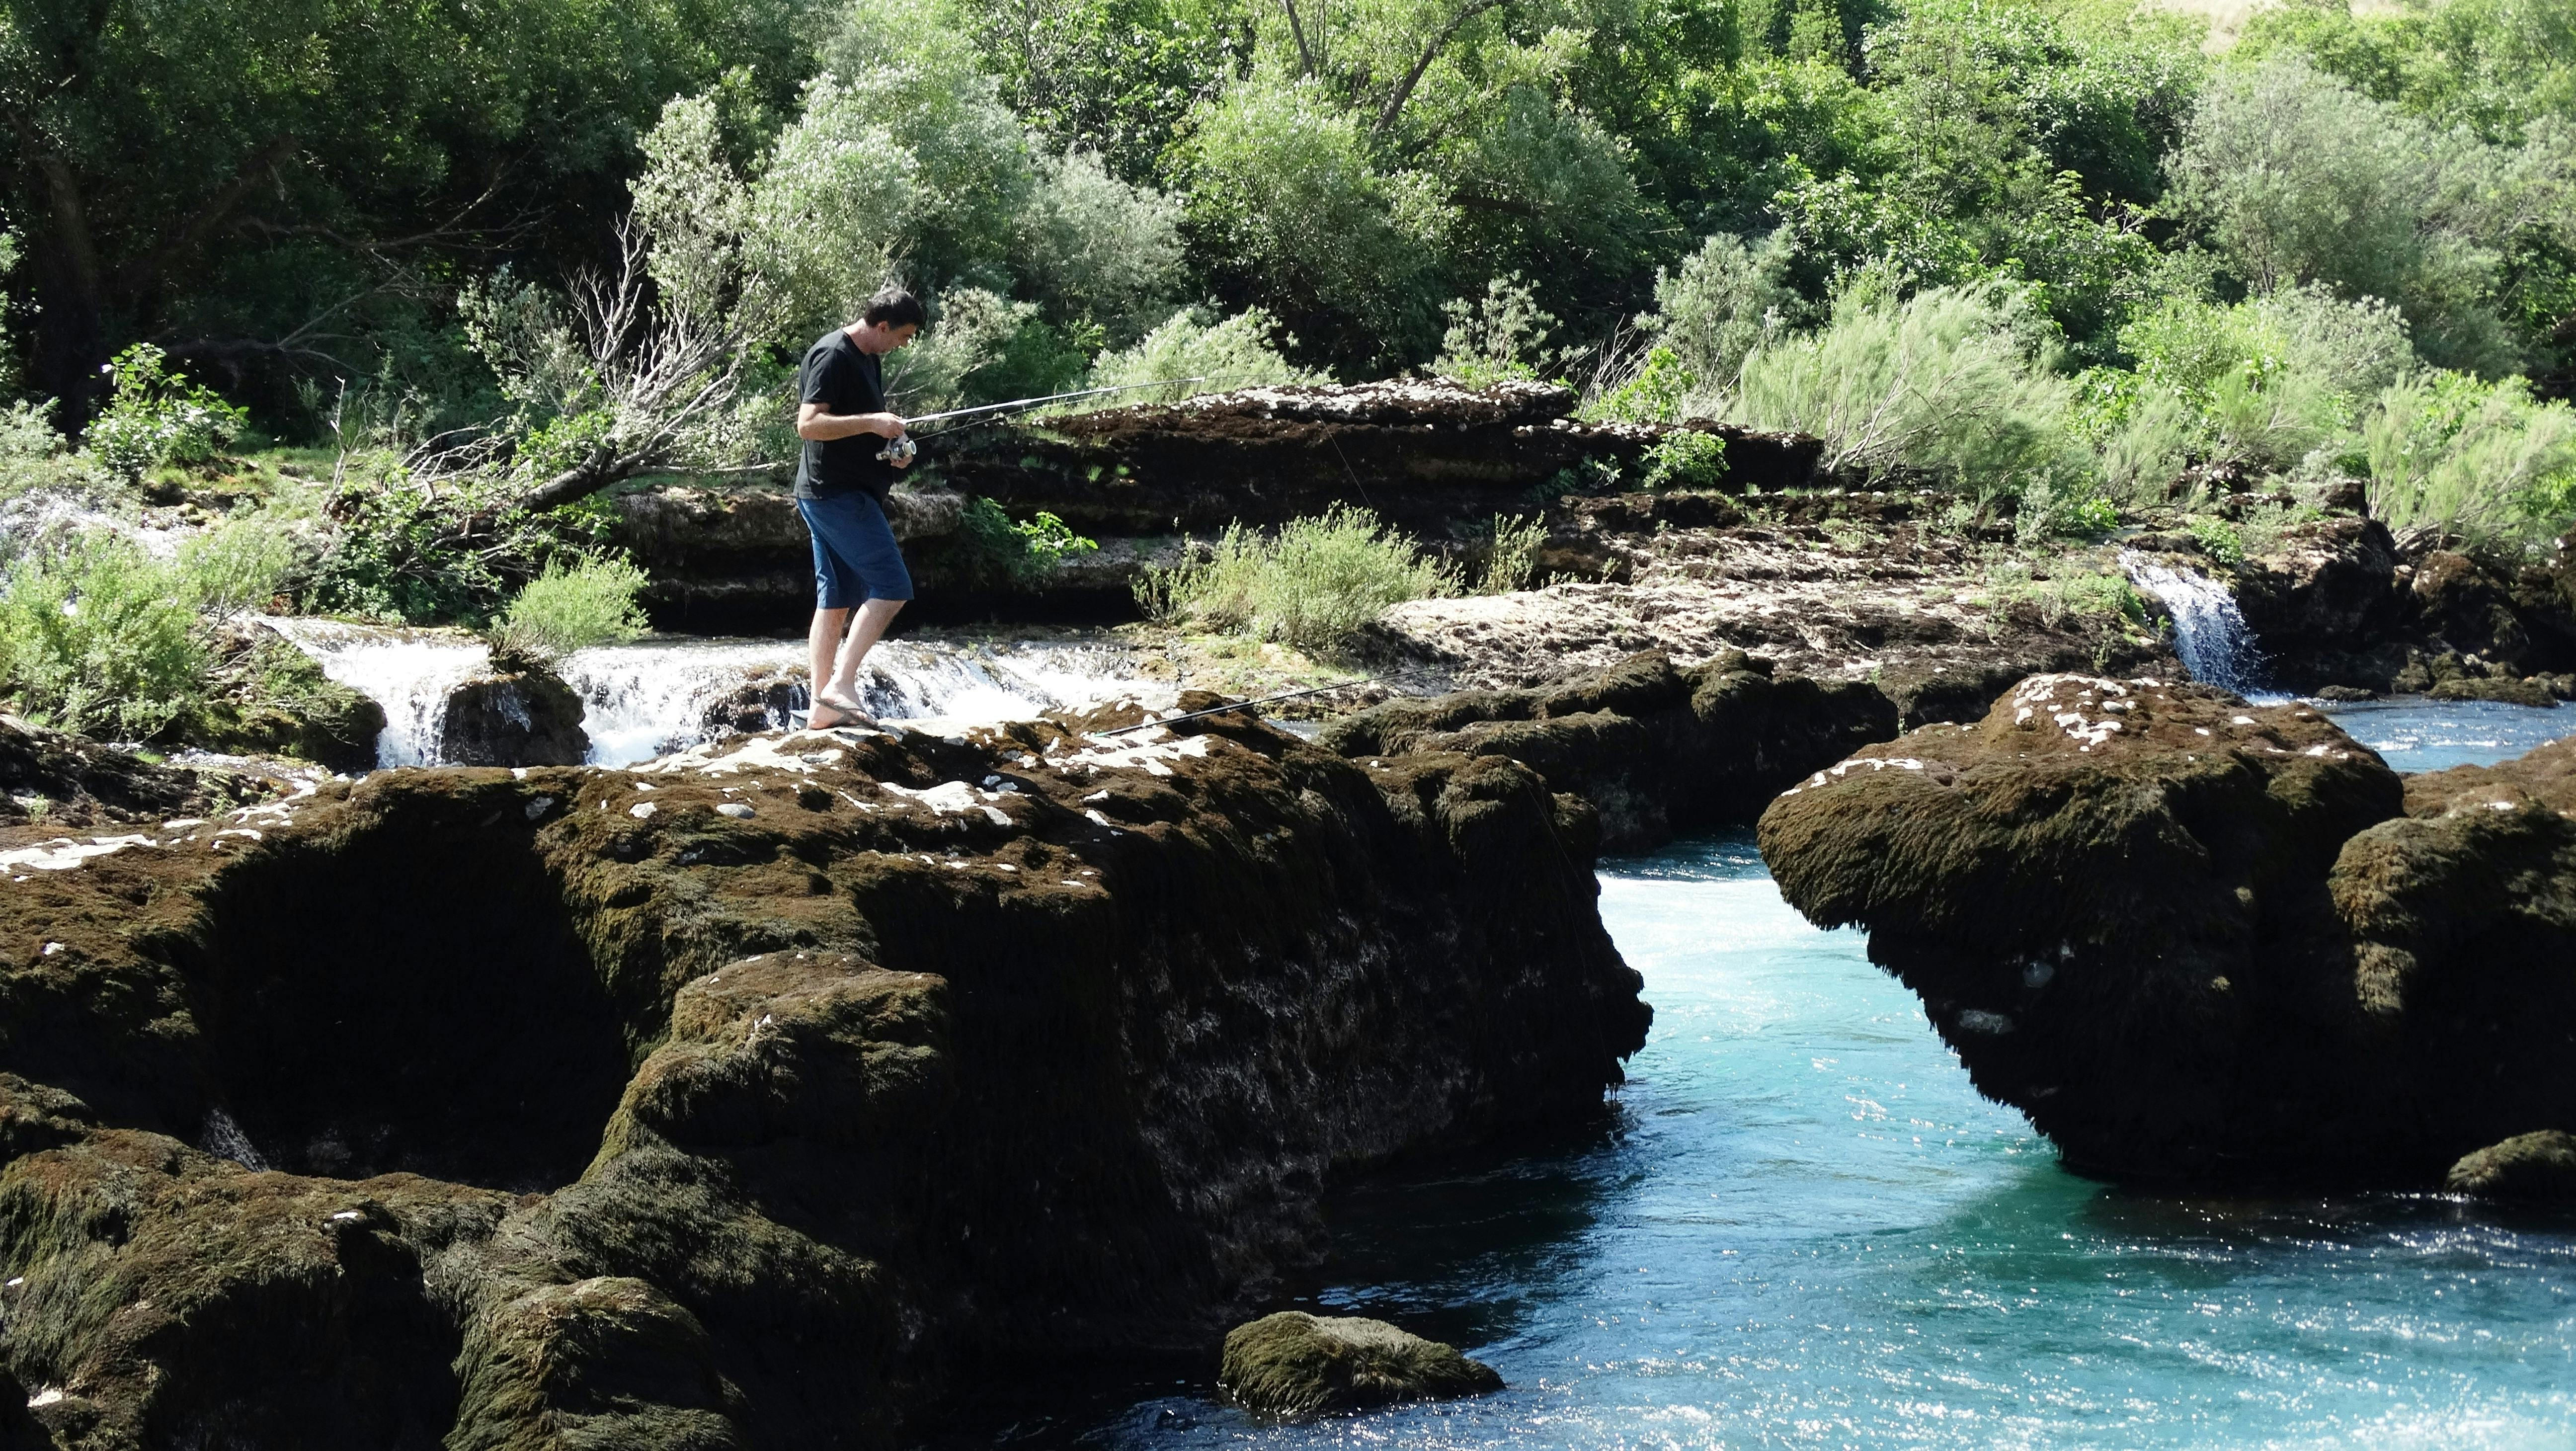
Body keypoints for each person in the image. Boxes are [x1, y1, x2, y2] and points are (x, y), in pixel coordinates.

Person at [793, 286, 925, 729]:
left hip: (840, 492)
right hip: (835, 497)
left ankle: (821, 710)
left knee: (835, 602)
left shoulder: (870, 358)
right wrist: (873, 422)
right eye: (902, 336)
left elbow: (860, 429)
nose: (903, 345)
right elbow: (808, 425)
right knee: (892, 587)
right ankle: (841, 685)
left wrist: (894, 447)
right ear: (882, 326)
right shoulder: (833, 355)